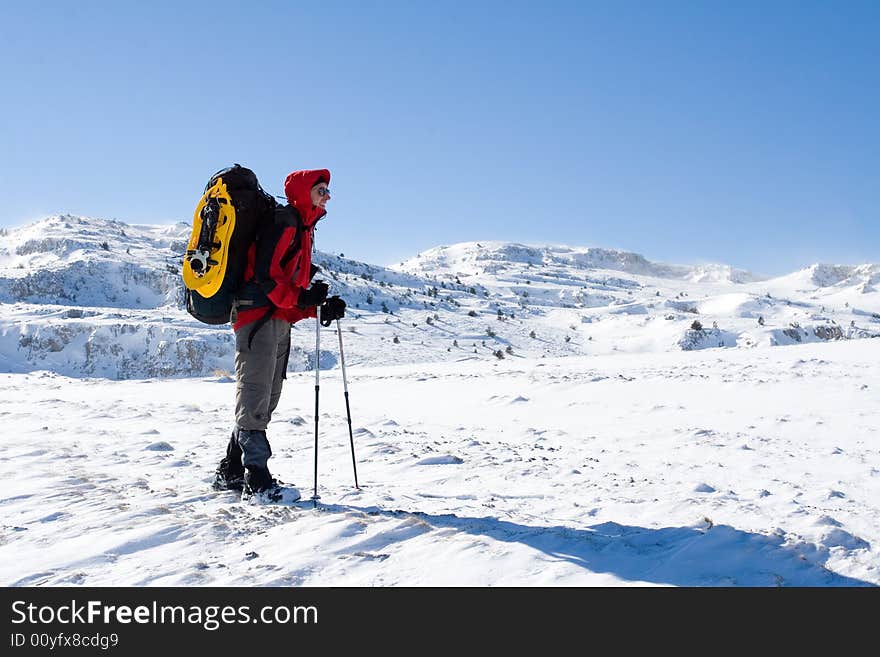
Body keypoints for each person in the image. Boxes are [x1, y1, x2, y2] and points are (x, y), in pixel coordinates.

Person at [212, 168, 347, 497]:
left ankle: (230, 471)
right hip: (257, 320)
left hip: (275, 320)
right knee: (256, 396)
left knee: (265, 399)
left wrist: (316, 308)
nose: (327, 196)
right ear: (304, 191)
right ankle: (256, 479)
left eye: (328, 190)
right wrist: (303, 297)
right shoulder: (285, 222)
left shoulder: (302, 228)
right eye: (321, 189)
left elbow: (285, 294)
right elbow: (266, 279)